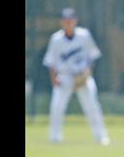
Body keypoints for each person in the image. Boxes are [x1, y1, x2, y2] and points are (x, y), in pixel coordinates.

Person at [43, 8, 111, 145]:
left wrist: (87, 73)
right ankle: (55, 137)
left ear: (75, 21)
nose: (68, 23)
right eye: (66, 21)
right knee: (57, 106)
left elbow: (92, 56)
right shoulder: (56, 39)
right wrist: (54, 78)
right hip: (64, 76)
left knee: (92, 105)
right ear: (62, 22)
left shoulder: (84, 35)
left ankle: (100, 136)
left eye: (71, 20)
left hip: (82, 75)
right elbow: (51, 61)